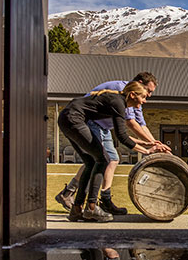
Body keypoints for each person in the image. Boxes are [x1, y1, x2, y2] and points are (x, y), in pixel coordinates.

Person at [55, 72, 171, 215]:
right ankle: (92, 207)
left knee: (93, 162)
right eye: (147, 93)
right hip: (80, 120)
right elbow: (125, 132)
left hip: (73, 119)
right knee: (102, 160)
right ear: (135, 92)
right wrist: (146, 151)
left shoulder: (124, 99)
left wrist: (151, 143)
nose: (146, 99)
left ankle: (77, 208)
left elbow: (128, 129)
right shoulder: (120, 100)